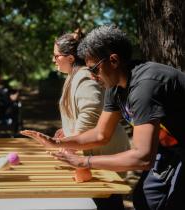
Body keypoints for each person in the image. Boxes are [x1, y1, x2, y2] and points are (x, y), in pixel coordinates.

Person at [23, 25, 185, 210]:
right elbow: (101, 134)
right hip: (170, 148)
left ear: (113, 60)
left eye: (93, 69)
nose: (91, 76)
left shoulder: (145, 88)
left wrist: (86, 162)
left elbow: (142, 158)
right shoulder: (114, 86)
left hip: (176, 149)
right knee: (145, 201)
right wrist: (58, 143)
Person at [23, 31, 130, 210]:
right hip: (93, 154)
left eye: (56, 56)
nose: (53, 60)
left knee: (107, 201)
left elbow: (91, 112)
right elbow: (82, 115)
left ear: (71, 58)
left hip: (103, 155)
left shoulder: (84, 76)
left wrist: (65, 143)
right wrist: (68, 132)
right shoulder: (75, 75)